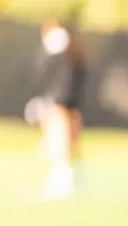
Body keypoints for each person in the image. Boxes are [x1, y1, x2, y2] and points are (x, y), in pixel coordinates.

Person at [30, 20, 88, 200]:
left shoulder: (65, 57)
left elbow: (46, 74)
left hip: (61, 103)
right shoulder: (67, 56)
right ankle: (71, 177)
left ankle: (65, 178)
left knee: (61, 143)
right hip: (64, 102)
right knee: (64, 143)